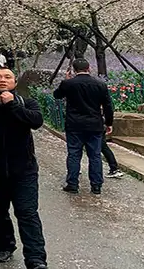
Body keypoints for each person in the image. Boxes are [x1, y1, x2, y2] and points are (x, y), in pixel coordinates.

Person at [0, 68, 49, 269]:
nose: (2, 80)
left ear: (15, 82)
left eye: (7, 77)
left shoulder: (27, 103)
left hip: (24, 170)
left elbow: (36, 122)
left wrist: (12, 105)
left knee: (27, 212)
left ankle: (35, 258)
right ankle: (5, 245)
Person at [53, 58, 114, 194]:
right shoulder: (100, 84)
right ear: (89, 68)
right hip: (94, 124)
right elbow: (108, 106)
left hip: (74, 125)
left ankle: (73, 184)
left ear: (74, 70)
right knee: (95, 155)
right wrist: (109, 123)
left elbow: (57, 95)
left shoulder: (68, 84)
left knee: (74, 154)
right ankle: (96, 185)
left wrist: (66, 80)